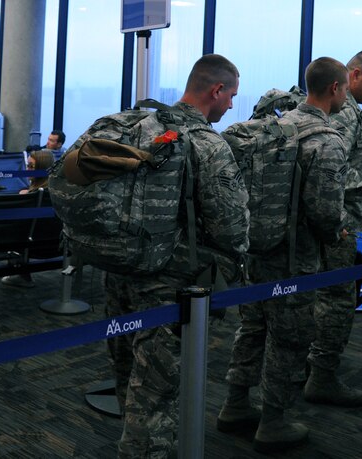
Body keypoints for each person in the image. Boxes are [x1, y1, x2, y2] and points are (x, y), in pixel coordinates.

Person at [103, 54, 249, 458]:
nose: (231, 106)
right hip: (170, 287)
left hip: (117, 270)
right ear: (216, 90)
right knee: (156, 396)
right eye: (231, 95)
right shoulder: (206, 142)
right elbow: (231, 227)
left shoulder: (134, 125)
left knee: (128, 372)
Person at [219, 57, 349, 453]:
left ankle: (235, 403)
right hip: (294, 256)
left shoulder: (274, 126)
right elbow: (325, 210)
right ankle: (274, 421)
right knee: (290, 337)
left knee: (253, 325)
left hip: (255, 246)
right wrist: (336, 232)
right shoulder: (325, 139)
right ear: (336, 89)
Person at [304, 50, 362, 408]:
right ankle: (321, 377)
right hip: (336, 223)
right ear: (353, 76)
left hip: (330, 221)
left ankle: (311, 371)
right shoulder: (344, 115)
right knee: (337, 301)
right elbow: (329, 171)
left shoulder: (345, 111)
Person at [1, 150, 55, 288]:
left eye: (31, 166)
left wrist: (24, 196)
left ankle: (21, 275)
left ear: (41, 169)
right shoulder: (57, 193)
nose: (27, 169)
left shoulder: (33, 197)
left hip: (31, 244)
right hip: (56, 244)